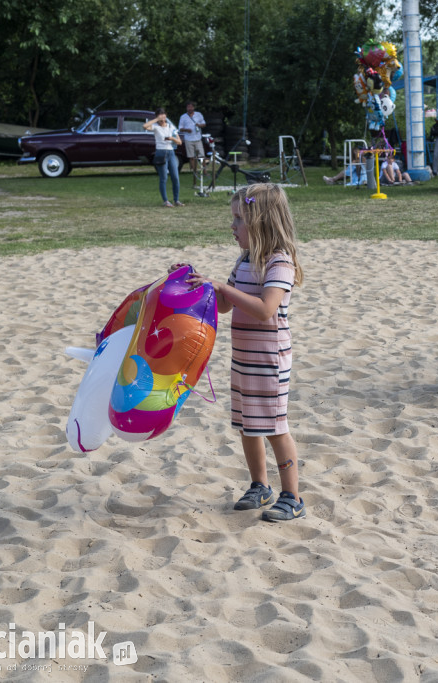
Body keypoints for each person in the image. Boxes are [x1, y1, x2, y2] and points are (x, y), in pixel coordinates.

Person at [176, 183, 306, 520]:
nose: (232, 227)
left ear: (261, 222)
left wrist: (222, 287)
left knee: (275, 426)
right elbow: (223, 305)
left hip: (269, 360)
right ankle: (259, 486)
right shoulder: (245, 259)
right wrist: (200, 283)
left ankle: (292, 496)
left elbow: (265, 309)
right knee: (247, 424)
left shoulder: (280, 262)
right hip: (244, 358)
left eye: (238, 219)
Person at [143, 108, 183, 207]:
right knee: (163, 177)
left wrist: (172, 138)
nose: (162, 118)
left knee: (175, 177)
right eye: (160, 116)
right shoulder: (156, 127)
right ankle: (165, 201)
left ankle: (176, 200)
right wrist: (156, 119)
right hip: (161, 152)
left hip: (171, 152)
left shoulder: (171, 127)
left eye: (164, 115)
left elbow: (180, 142)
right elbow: (145, 126)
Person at [178, 101, 207, 175]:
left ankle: (204, 171)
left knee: (202, 156)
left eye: (191, 107)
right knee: (191, 157)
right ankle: (195, 172)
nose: (190, 108)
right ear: (186, 108)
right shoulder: (183, 117)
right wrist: (186, 130)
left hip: (198, 138)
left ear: (193, 107)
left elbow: (204, 124)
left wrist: (199, 125)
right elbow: (180, 128)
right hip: (188, 139)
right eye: (188, 107)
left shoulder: (199, 115)